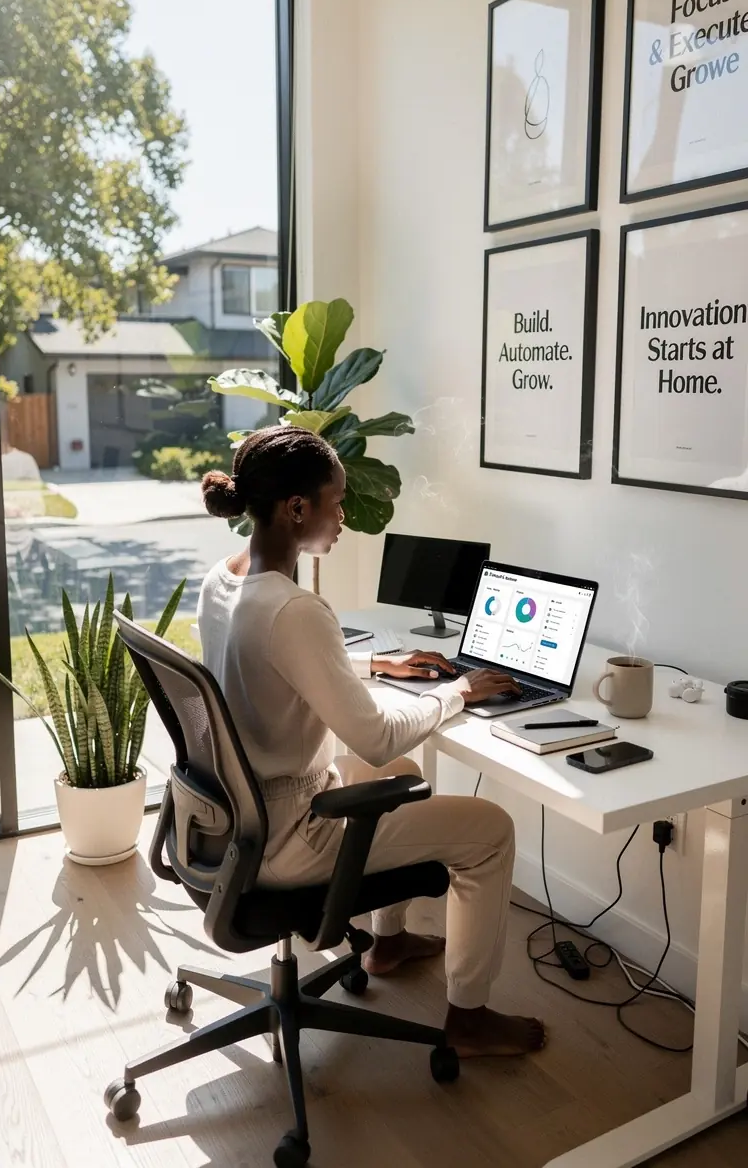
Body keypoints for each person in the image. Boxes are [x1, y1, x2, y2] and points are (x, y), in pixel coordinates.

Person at [197, 425, 545, 1058]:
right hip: (289, 837)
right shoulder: (296, 610)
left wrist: (376, 666)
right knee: (490, 831)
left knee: (408, 769)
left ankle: (387, 943)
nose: (343, 517)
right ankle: (469, 1019)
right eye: (337, 501)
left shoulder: (224, 580)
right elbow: (376, 737)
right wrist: (459, 691)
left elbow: (269, 663)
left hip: (231, 820)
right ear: (296, 508)